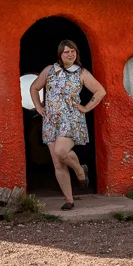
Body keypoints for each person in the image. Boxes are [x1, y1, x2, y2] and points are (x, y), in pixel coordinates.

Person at [29, 39, 106, 210]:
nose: (70, 54)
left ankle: (80, 171)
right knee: (58, 163)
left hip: (71, 119)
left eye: (73, 51)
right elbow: (34, 88)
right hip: (51, 121)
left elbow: (100, 91)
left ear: (76, 53)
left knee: (61, 151)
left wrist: (86, 108)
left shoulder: (81, 73)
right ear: (60, 54)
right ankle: (69, 200)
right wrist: (39, 107)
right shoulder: (50, 70)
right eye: (66, 52)